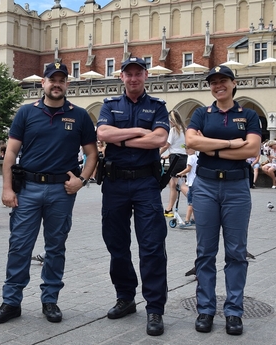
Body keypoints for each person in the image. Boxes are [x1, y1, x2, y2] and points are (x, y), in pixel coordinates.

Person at [0, 62, 97, 324]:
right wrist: (6, 188)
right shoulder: (26, 113)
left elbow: (93, 154)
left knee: (56, 247)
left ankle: (50, 301)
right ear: (43, 83)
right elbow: (11, 153)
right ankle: (11, 301)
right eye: (52, 79)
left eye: (61, 80)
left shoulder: (80, 115)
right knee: (19, 246)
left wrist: (81, 181)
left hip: (62, 190)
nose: (56, 84)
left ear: (67, 84)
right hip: (28, 189)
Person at [185, 65, 261, 336]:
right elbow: (192, 143)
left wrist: (212, 147)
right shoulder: (201, 113)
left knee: (236, 253)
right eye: (213, 82)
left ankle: (233, 312)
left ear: (233, 83)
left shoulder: (248, 115)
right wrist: (231, 145)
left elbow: (252, 149)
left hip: (237, 188)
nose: (218, 85)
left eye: (223, 81)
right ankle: (205, 309)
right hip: (205, 187)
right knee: (205, 252)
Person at [96, 57, 170, 336]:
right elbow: (102, 132)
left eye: (138, 73)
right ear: (122, 77)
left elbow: (159, 139)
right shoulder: (110, 105)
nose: (134, 78)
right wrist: (140, 131)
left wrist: (121, 138)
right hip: (114, 184)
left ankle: (155, 308)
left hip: (145, 184)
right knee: (117, 245)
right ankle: (125, 297)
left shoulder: (157, 107)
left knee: (151, 246)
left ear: (146, 76)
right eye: (129, 74)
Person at [160, 110, 187, 217]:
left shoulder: (173, 130)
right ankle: (169, 208)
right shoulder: (185, 130)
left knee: (178, 184)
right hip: (184, 158)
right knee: (174, 183)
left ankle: (193, 203)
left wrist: (158, 153)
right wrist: (168, 155)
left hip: (175, 160)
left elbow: (167, 145)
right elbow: (180, 147)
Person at [176, 146, 197, 229]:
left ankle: (187, 220)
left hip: (191, 183)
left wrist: (180, 173)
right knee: (194, 201)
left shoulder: (191, 157)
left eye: (188, 148)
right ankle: (195, 219)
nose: (186, 150)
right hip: (195, 182)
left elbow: (188, 168)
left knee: (190, 203)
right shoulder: (196, 157)